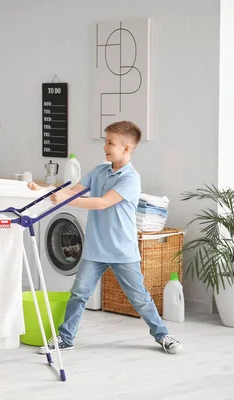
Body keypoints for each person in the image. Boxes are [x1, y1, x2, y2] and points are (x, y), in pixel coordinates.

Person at [28, 121, 182, 355]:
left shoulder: (130, 178)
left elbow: (102, 203)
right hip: (95, 248)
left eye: (110, 142)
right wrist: (42, 191)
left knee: (139, 298)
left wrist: (65, 200)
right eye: (105, 141)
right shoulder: (100, 171)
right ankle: (65, 338)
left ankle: (162, 335)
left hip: (122, 251)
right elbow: (72, 190)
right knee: (79, 294)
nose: (105, 147)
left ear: (127, 148)